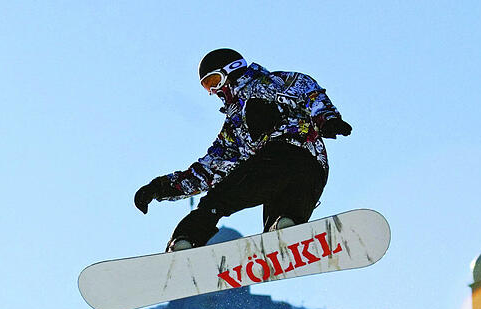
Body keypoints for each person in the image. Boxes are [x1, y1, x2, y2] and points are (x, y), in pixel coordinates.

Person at [134, 48, 352, 251]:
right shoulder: (234, 127)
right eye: (207, 87)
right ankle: (285, 226)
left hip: (282, 158)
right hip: (313, 172)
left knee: (215, 201)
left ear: (232, 70)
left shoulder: (268, 84)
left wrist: (327, 119)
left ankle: (186, 239)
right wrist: (161, 188)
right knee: (279, 222)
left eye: (214, 81)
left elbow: (308, 93)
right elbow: (208, 169)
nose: (214, 91)